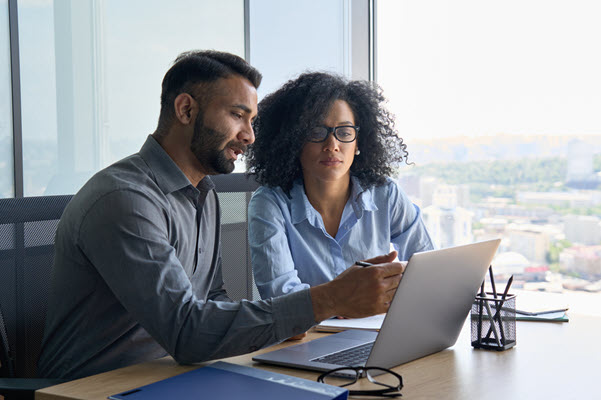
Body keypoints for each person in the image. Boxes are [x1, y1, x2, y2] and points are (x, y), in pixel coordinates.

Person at [37, 51, 405, 380]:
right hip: (97, 388)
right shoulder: (125, 199)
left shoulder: (204, 193)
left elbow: (212, 298)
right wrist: (326, 300)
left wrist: (285, 320)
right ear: (186, 110)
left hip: (177, 376)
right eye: (237, 116)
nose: (249, 136)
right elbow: (187, 332)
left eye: (252, 120)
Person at [247, 72, 434, 301]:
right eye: (317, 132)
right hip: (308, 335)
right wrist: (342, 301)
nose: (332, 145)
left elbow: (428, 268)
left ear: (358, 143)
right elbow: (281, 297)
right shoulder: (269, 204)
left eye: (344, 133)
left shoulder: (385, 194)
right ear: (294, 141)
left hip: (378, 329)